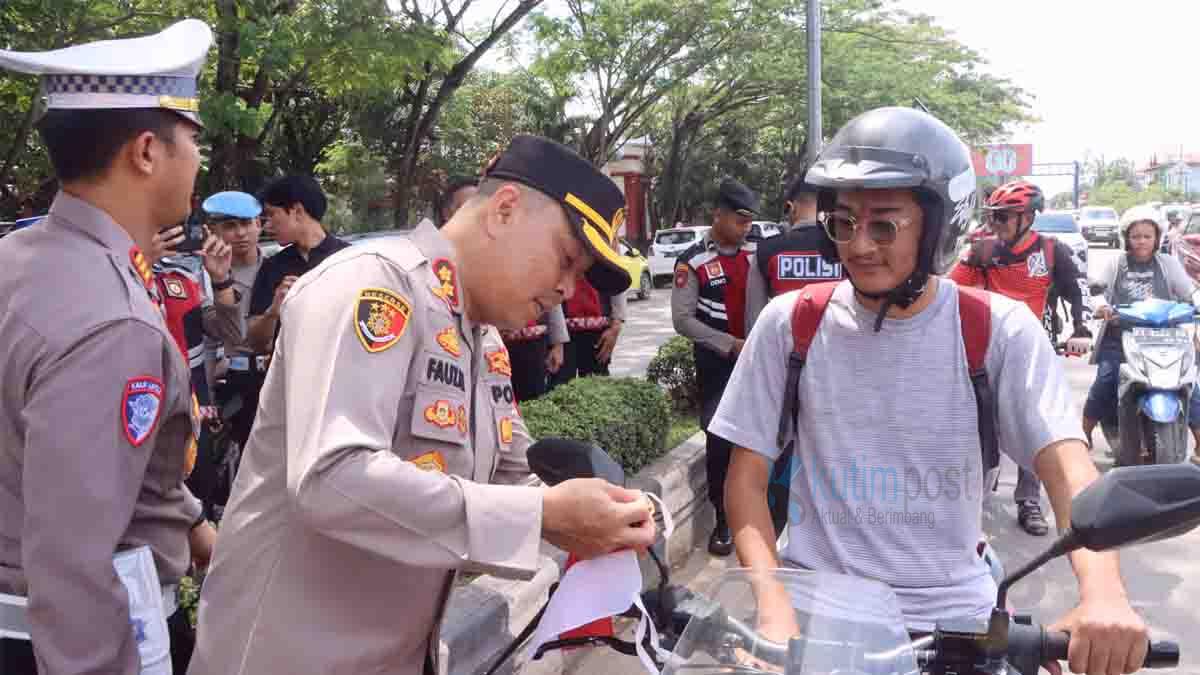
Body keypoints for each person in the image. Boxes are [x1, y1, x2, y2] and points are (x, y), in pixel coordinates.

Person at [187, 135, 658, 675]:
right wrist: (541, 515)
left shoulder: (483, 338)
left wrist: (606, 513)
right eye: (567, 260)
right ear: (504, 210)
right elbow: (331, 477)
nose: (565, 288)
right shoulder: (372, 284)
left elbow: (509, 478)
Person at [714, 107, 1148, 675]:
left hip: (957, 624)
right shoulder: (790, 324)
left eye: (884, 225)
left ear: (940, 226)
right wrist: (772, 608)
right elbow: (744, 482)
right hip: (818, 617)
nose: (859, 246)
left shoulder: (996, 330)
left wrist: (1104, 593)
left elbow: (1069, 469)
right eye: (843, 223)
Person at [0, 20, 218, 674]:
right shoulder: (112, 319)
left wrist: (194, 528)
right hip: (80, 638)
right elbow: (75, 562)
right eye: (193, 141)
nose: (198, 161)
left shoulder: (21, 256)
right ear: (147, 151)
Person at [947, 179, 1090, 536]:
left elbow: (1078, 294)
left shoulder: (1053, 251)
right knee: (977, 423)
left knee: (1036, 425)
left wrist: (1082, 330)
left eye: (1004, 218)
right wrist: (968, 260)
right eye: (992, 218)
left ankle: (1029, 502)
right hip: (987, 349)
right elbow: (948, 293)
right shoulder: (983, 251)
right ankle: (973, 497)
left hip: (1034, 351)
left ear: (1027, 217)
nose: (995, 225)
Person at [672, 178, 758, 556]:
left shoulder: (758, 253)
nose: (746, 228)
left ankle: (759, 516)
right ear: (718, 215)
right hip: (718, 366)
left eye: (749, 221)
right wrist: (729, 345)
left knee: (760, 438)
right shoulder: (692, 261)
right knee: (720, 442)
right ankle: (722, 521)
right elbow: (683, 319)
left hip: (759, 363)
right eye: (739, 220)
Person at [1083, 205, 1200, 457]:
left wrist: (1194, 305)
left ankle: (1199, 444)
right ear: (1127, 238)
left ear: (1157, 238)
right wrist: (1102, 305)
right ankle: (1084, 434)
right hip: (1121, 337)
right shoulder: (1116, 263)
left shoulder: (1168, 263)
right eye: (1136, 236)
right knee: (1106, 380)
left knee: (1187, 384)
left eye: (1147, 236)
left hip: (1165, 338)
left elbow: (1188, 293)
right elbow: (1098, 292)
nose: (1142, 241)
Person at [440, 175, 568, 400]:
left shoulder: (488, 332)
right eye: (467, 208)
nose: (568, 289)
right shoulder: (411, 286)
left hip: (528, 346)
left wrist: (557, 342)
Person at [245, 174, 350, 354]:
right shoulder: (272, 266)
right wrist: (273, 311)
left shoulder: (349, 260)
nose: (267, 226)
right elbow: (255, 343)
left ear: (297, 211)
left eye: (271, 215)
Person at [203, 191, 267, 449]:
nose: (241, 233)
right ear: (212, 231)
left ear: (259, 225)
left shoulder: (279, 269)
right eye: (230, 226)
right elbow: (210, 340)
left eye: (247, 224)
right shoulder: (203, 280)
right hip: (232, 383)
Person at [745, 170, 845, 334]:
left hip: (783, 354)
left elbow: (754, 322)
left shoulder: (766, 251)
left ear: (792, 208)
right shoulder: (845, 248)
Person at [550, 276, 627, 386]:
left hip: (598, 330)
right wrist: (556, 339)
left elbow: (616, 274)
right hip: (562, 330)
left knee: (598, 388)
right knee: (560, 387)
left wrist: (616, 325)